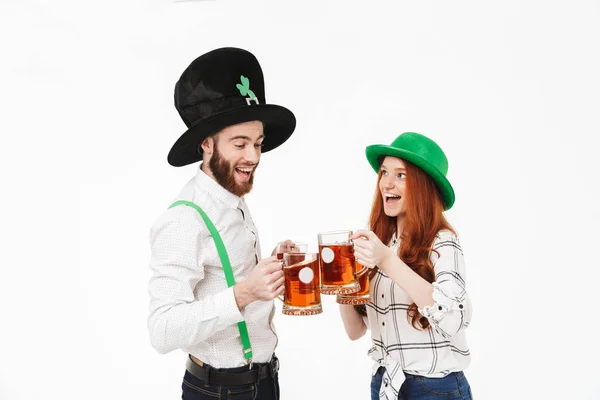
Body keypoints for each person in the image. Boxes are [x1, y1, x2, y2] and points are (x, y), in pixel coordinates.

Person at [147, 47, 297, 400]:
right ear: (206, 143)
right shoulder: (184, 219)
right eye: (240, 143)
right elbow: (161, 330)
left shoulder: (232, 200)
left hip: (262, 384)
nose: (253, 157)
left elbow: (225, 273)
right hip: (219, 392)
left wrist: (269, 267)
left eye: (258, 144)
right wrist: (245, 292)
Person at [340, 132, 473, 399]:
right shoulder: (381, 242)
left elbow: (456, 318)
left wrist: (387, 261)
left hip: (435, 388)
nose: (387, 184)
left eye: (401, 175)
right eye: (385, 173)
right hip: (386, 383)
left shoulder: (443, 242)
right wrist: (341, 284)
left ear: (424, 186)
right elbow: (355, 332)